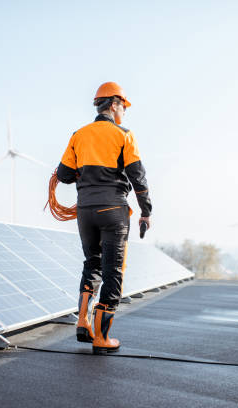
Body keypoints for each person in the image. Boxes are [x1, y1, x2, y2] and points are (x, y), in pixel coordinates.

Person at [56, 82, 152, 354]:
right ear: (113, 104)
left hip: (85, 211)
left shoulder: (78, 135)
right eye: (123, 106)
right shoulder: (124, 135)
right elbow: (138, 177)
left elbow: (63, 175)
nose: (124, 111)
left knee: (92, 264)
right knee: (113, 272)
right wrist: (146, 211)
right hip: (113, 211)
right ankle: (102, 338)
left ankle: (83, 321)